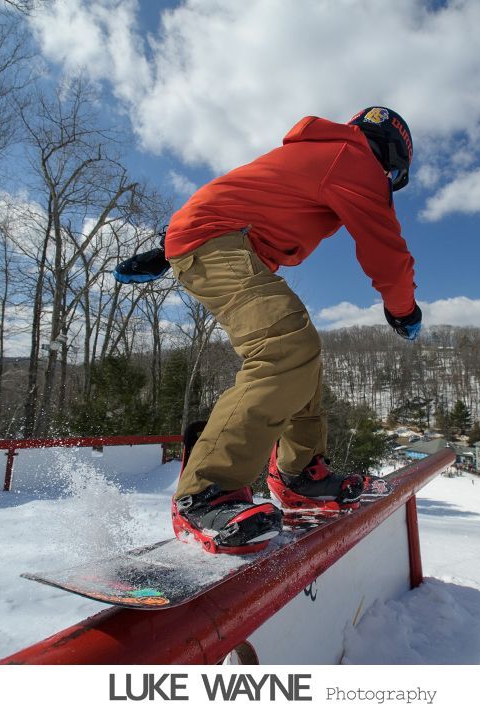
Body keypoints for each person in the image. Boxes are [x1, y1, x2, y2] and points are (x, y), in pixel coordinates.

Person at [139, 107, 419, 554]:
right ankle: (205, 492)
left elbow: (240, 192)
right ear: (392, 155)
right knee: (286, 346)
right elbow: (384, 247)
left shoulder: (326, 152)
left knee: (301, 347)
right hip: (219, 242)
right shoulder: (357, 161)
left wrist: (165, 248)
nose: (386, 177)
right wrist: (403, 308)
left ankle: (301, 475)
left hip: (220, 240)